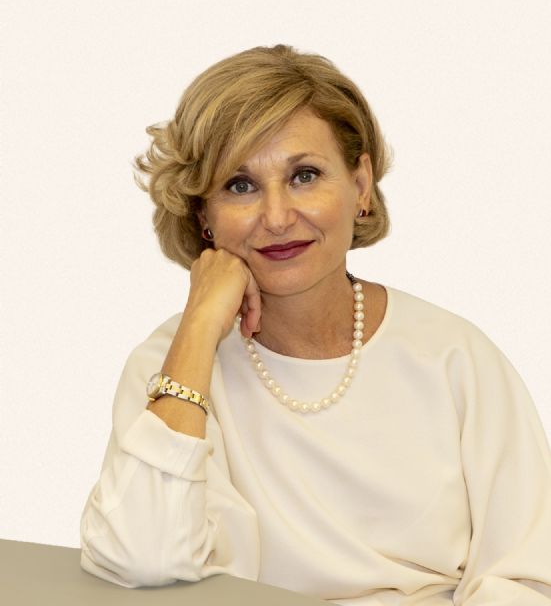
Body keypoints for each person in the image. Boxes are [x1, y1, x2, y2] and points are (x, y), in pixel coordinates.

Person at [80, 44, 551, 605]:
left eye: (304, 175)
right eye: (240, 185)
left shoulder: (454, 357)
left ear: (360, 185)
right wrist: (201, 326)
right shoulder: (172, 366)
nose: (277, 217)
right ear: (203, 214)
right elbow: (141, 560)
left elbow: (528, 577)